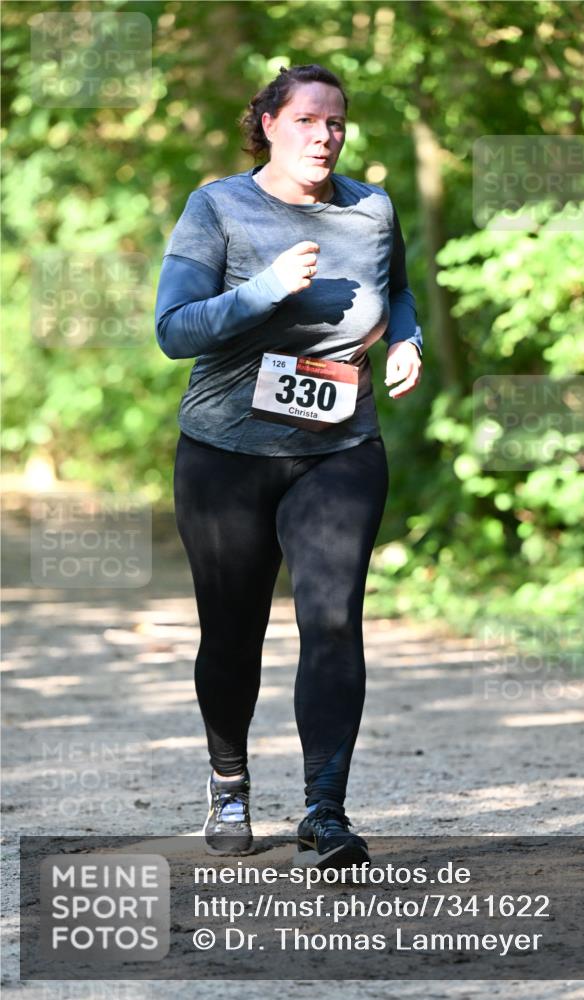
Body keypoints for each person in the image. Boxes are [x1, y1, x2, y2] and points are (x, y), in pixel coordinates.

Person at [155, 63, 422, 869]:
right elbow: (175, 330)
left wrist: (405, 336)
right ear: (268, 123)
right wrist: (263, 289)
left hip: (339, 450)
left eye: (335, 122)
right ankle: (229, 780)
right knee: (232, 634)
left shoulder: (370, 208)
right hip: (225, 454)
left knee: (333, 620)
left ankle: (325, 809)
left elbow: (396, 287)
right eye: (306, 119)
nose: (324, 135)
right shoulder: (218, 207)